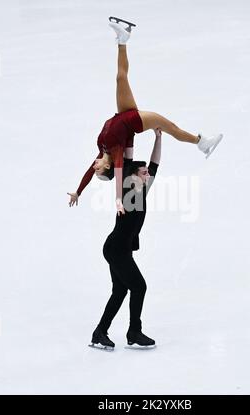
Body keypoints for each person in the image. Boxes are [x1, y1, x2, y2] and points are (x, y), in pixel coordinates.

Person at [67, 18, 223, 215]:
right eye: (98, 169)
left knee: (120, 77)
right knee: (171, 127)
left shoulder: (102, 149)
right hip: (135, 121)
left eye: (96, 169)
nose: (94, 167)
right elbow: (117, 174)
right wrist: (118, 200)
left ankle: (123, 40)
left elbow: (88, 174)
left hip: (123, 112)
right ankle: (201, 143)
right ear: (107, 166)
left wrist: (78, 192)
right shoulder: (116, 155)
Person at [88, 128, 162, 350]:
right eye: (143, 171)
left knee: (120, 291)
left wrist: (158, 138)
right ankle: (134, 331)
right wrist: (127, 135)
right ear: (133, 175)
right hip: (117, 249)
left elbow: (154, 162)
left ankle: (100, 332)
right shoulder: (128, 192)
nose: (147, 173)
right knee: (139, 287)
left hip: (118, 248)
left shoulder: (141, 192)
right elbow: (127, 159)